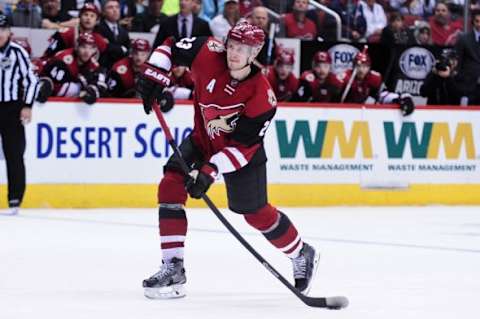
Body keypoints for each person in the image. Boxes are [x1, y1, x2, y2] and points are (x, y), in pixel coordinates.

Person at [137, 21, 320, 299]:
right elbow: (170, 46)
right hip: (202, 140)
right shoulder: (207, 51)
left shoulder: (263, 96)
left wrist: (210, 172)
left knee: (255, 214)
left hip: (241, 155)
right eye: (232, 45)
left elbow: (242, 148)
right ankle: (173, 267)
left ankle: (300, 251)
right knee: (170, 185)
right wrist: (154, 74)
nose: (233, 53)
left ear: (255, 51)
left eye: (242, 48)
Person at [0, 15, 39, 215]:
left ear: (9, 32)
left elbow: (32, 81)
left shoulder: (18, 52)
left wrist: (27, 105)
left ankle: (15, 200)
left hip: (11, 109)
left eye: (2, 29)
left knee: (14, 155)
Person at [36, 33, 107, 105]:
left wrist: (92, 90)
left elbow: (100, 87)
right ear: (77, 47)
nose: (87, 52)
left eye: (91, 48)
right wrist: (81, 85)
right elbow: (55, 89)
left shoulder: (94, 65)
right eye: (83, 47)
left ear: (95, 50)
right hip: (41, 80)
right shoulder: (63, 60)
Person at [342, 49, 415, 115]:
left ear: (369, 67)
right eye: (358, 66)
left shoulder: (373, 78)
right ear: (353, 67)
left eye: (365, 66)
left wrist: (401, 98)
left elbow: (383, 95)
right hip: (343, 111)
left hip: (361, 112)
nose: (361, 70)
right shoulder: (346, 77)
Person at [42, 3, 108, 59]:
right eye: (85, 14)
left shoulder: (99, 39)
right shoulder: (65, 34)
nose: (88, 18)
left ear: (96, 21)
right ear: (79, 17)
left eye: (92, 16)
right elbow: (48, 55)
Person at [95, 0, 131, 69]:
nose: (115, 10)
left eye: (117, 7)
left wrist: (110, 46)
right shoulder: (98, 28)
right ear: (103, 12)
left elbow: (127, 51)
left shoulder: (123, 30)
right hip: (102, 68)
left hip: (119, 70)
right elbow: (104, 49)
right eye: (110, 7)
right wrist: (121, 49)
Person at [455, 10, 480, 104]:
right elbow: (458, 63)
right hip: (468, 87)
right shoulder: (463, 39)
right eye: (477, 21)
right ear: (473, 22)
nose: (479, 24)